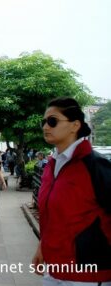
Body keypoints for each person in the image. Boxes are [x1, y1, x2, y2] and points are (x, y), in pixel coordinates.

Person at [32, 97, 111, 285]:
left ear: (75, 125)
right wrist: (42, 247)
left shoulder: (96, 166)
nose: (45, 127)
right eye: (43, 122)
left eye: (52, 121)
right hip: (53, 271)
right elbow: (51, 216)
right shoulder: (51, 166)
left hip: (88, 275)